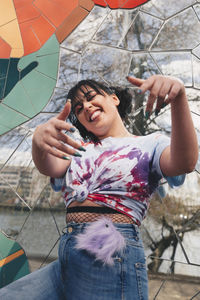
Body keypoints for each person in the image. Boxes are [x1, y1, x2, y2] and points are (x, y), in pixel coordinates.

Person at [0, 75, 198, 299]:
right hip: (69, 253)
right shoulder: (77, 148)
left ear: (114, 98)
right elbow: (49, 166)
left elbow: (185, 162)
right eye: (78, 107)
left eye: (90, 97)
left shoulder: (150, 143)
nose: (85, 106)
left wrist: (179, 97)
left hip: (110, 255)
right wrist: (38, 142)